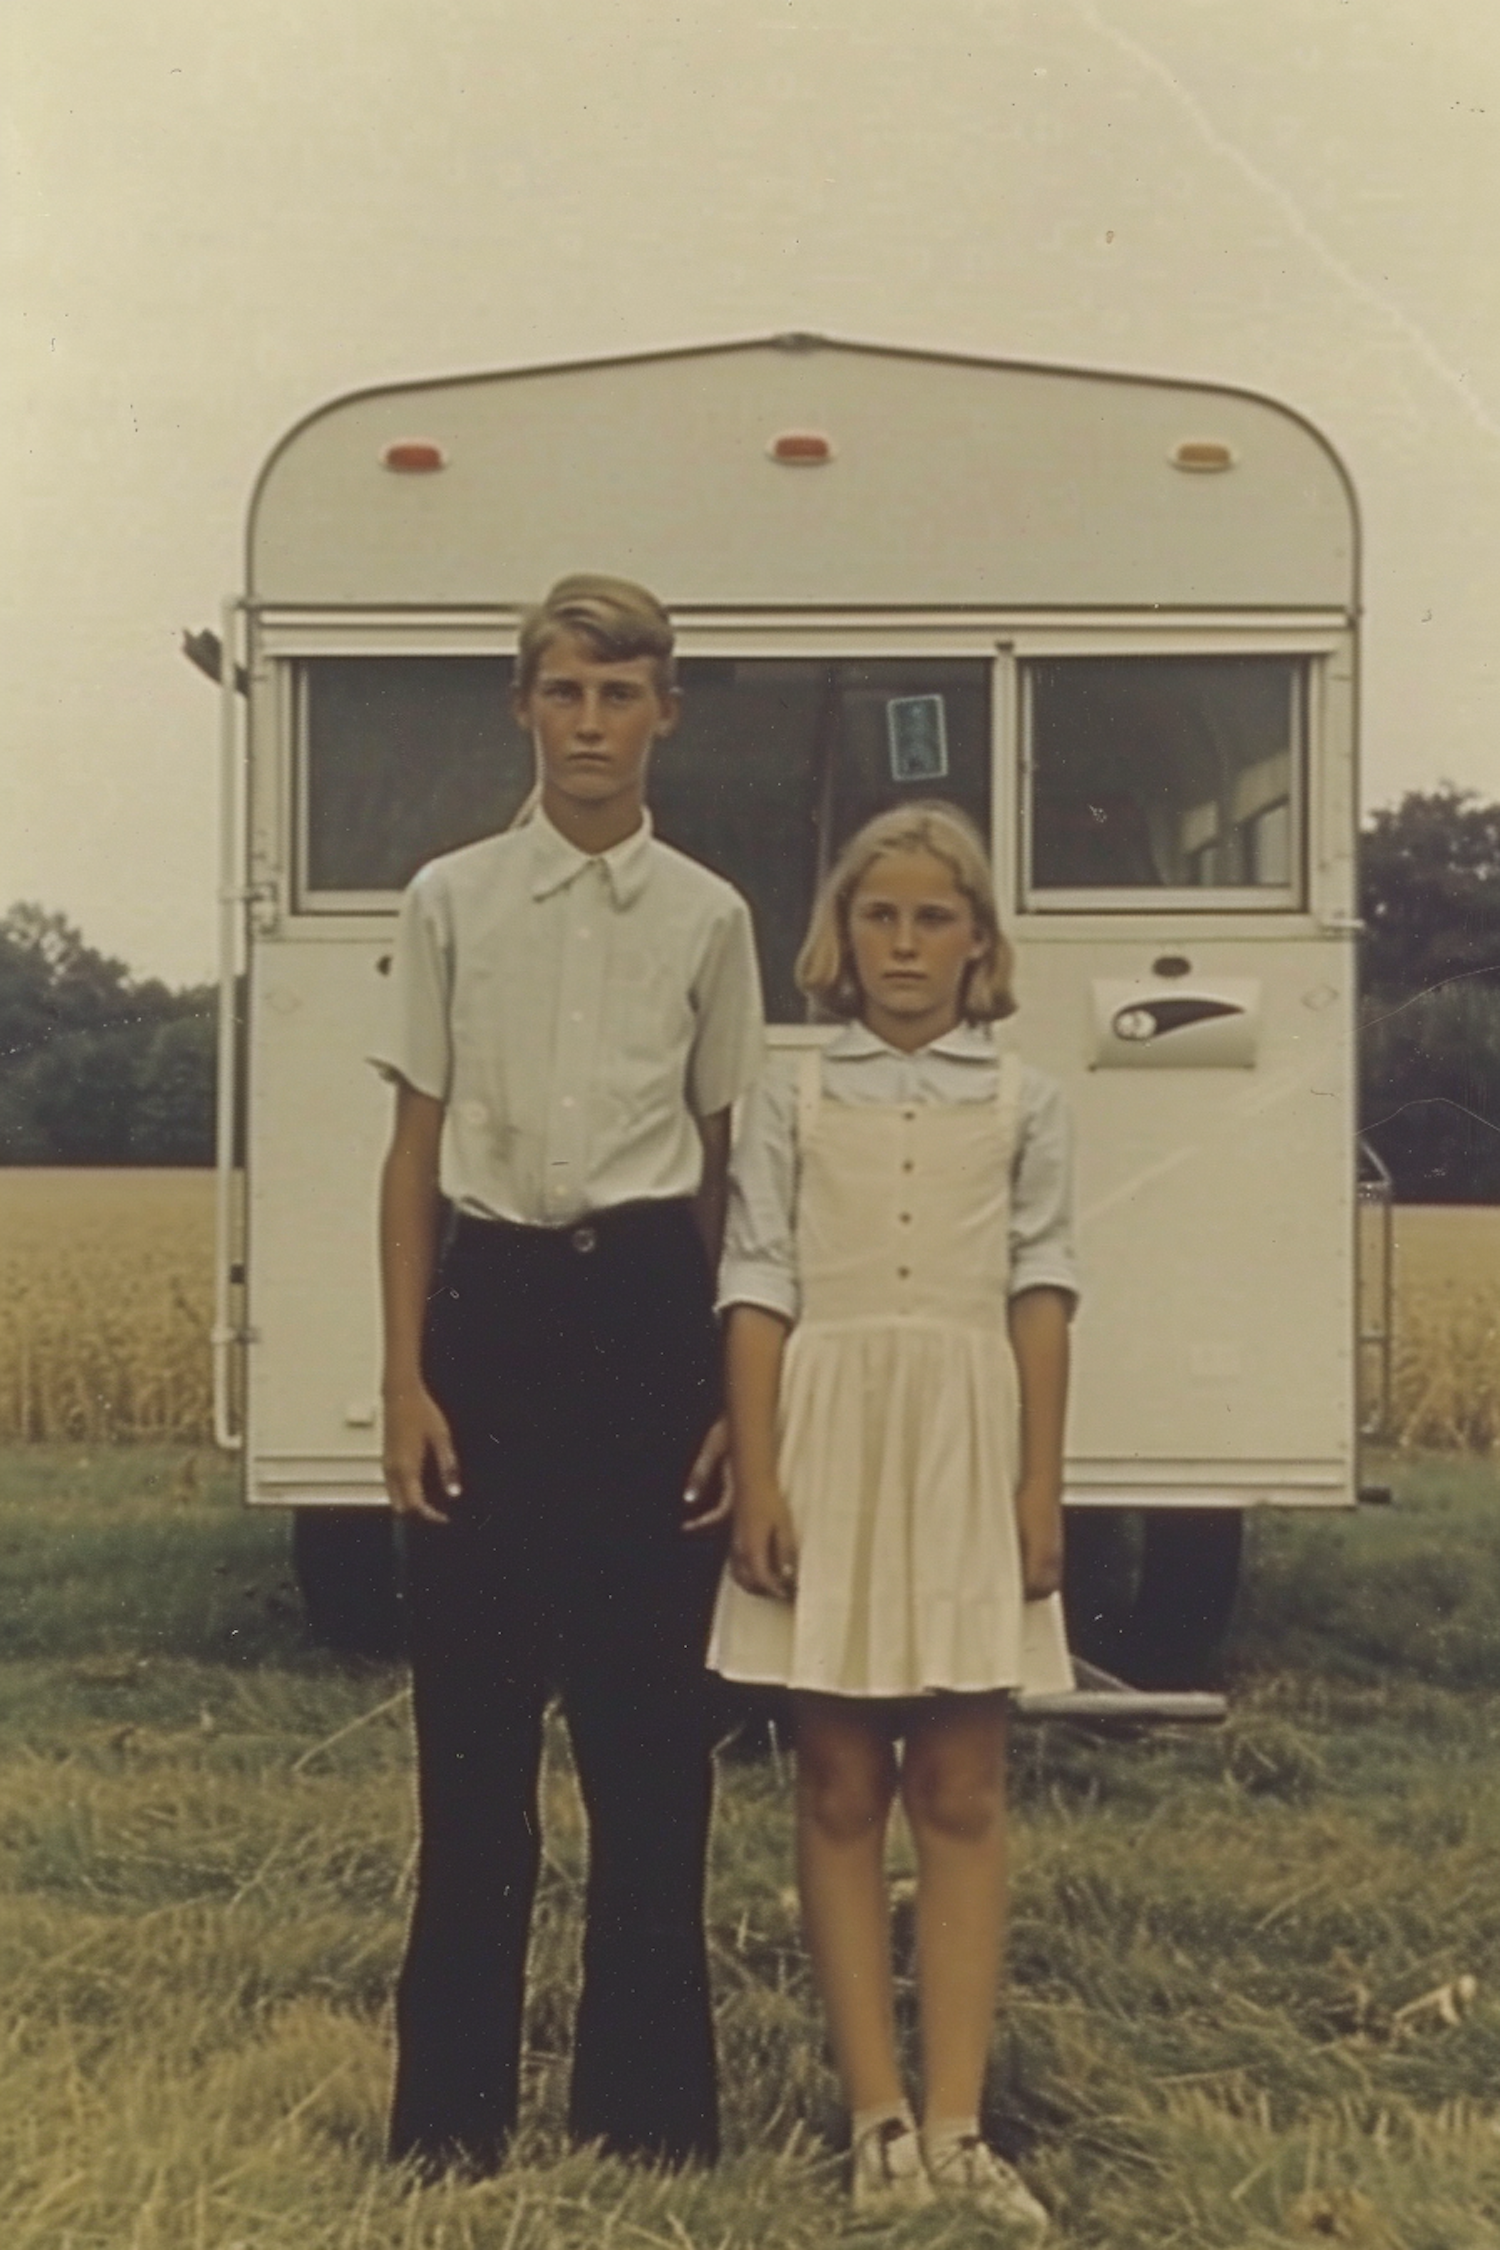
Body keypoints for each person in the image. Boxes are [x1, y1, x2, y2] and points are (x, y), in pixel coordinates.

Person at [371, 575, 764, 2179]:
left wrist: (742, 1395)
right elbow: (408, 1160)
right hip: (491, 1315)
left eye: (622, 694)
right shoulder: (450, 900)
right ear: (523, 709)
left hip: (649, 1325)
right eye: (564, 693)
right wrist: (403, 1376)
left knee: (648, 1749)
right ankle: (447, 2123)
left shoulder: (710, 917)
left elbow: (729, 1175)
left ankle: (650, 2118)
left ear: (666, 710)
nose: (592, 723)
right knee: (473, 1757)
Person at [708, 802, 1076, 2230]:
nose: (906, 944)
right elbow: (757, 1287)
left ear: (979, 939)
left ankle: (961, 2120)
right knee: (842, 1784)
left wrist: (1039, 1482)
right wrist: (763, 1470)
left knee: (964, 1786)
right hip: (832, 1431)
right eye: (880, 917)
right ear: (841, 938)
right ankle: (879, 2121)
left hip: (967, 1438)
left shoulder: (1027, 1098)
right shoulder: (791, 1096)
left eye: (935, 918)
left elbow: (1043, 1294)